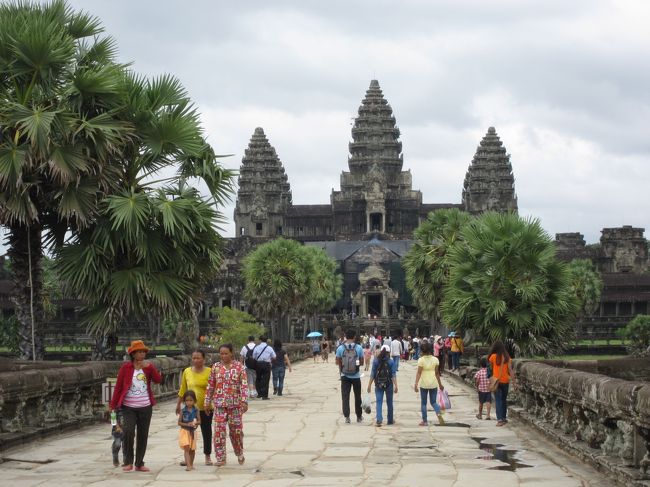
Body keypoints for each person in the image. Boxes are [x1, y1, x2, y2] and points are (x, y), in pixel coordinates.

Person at [110, 340, 162, 472]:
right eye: (139, 352)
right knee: (128, 432)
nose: (142, 354)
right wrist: (112, 405)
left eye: (143, 352)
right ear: (133, 354)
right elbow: (118, 387)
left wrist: (150, 367)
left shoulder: (148, 367)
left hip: (145, 406)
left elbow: (158, 380)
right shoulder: (125, 368)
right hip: (129, 407)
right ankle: (128, 461)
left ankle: (139, 463)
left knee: (143, 435)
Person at [204, 343, 249, 466]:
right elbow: (210, 385)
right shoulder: (216, 367)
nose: (223, 356)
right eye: (221, 353)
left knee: (236, 433)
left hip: (235, 406)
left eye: (226, 353)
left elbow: (244, 385)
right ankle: (221, 458)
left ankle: (239, 452)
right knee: (218, 432)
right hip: (219, 405)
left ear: (231, 353)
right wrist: (207, 402)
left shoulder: (239, 367)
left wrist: (244, 401)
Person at [176, 349, 213, 465]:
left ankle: (207, 456)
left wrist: (211, 403)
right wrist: (178, 404)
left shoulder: (210, 372)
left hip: (205, 407)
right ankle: (188, 457)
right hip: (190, 409)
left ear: (204, 359)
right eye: (194, 358)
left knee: (206, 431)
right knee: (188, 433)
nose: (195, 360)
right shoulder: (187, 371)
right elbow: (183, 390)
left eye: (198, 358)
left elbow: (213, 389)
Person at [335, 329, 365, 423]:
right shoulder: (359, 348)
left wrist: (343, 366)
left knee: (345, 396)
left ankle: (347, 417)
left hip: (344, 375)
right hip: (356, 376)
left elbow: (337, 361)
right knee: (357, 396)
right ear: (354, 337)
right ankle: (359, 416)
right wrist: (355, 365)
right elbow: (362, 362)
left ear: (345, 336)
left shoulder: (340, 348)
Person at [414, 341, 445, 426]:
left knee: (424, 403)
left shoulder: (421, 360)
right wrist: (440, 384)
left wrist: (416, 384)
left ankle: (425, 421)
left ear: (422, 351)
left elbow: (419, 373)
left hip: (424, 384)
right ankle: (438, 412)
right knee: (433, 402)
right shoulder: (435, 359)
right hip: (433, 383)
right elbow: (437, 373)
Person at [367, 344, 398, 426]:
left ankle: (379, 419)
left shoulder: (376, 361)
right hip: (389, 384)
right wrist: (396, 385)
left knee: (379, 402)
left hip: (378, 384)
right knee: (389, 402)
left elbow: (372, 374)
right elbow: (393, 375)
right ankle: (390, 420)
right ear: (389, 352)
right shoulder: (391, 361)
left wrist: (369, 385)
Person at [488, 340, 514, 426]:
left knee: (498, 400)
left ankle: (499, 420)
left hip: (497, 381)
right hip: (505, 381)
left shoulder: (493, 357)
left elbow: (491, 367)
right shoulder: (507, 357)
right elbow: (510, 370)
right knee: (503, 400)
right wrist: (514, 382)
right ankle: (504, 418)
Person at [178, 390, 200, 471]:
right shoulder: (183, 411)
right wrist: (187, 424)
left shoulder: (196, 410)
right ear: (184, 401)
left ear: (194, 401)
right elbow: (179, 422)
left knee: (192, 449)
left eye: (191, 400)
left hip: (193, 432)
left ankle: (191, 463)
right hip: (184, 431)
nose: (189, 402)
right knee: (186, 448)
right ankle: (188, 465)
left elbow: (199, 421)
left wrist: (195, 423)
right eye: (187, 400)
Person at [252, 335, 276, 400]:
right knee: (266, 379)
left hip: (258, 364)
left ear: (260, 340)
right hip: (266, 364)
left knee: (258, 378)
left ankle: (259, 393)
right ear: (267, 340)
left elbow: (253, 357)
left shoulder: (257, 347)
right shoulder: (269, 348)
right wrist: (270, 360)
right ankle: (264, 395)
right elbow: (274, 356)